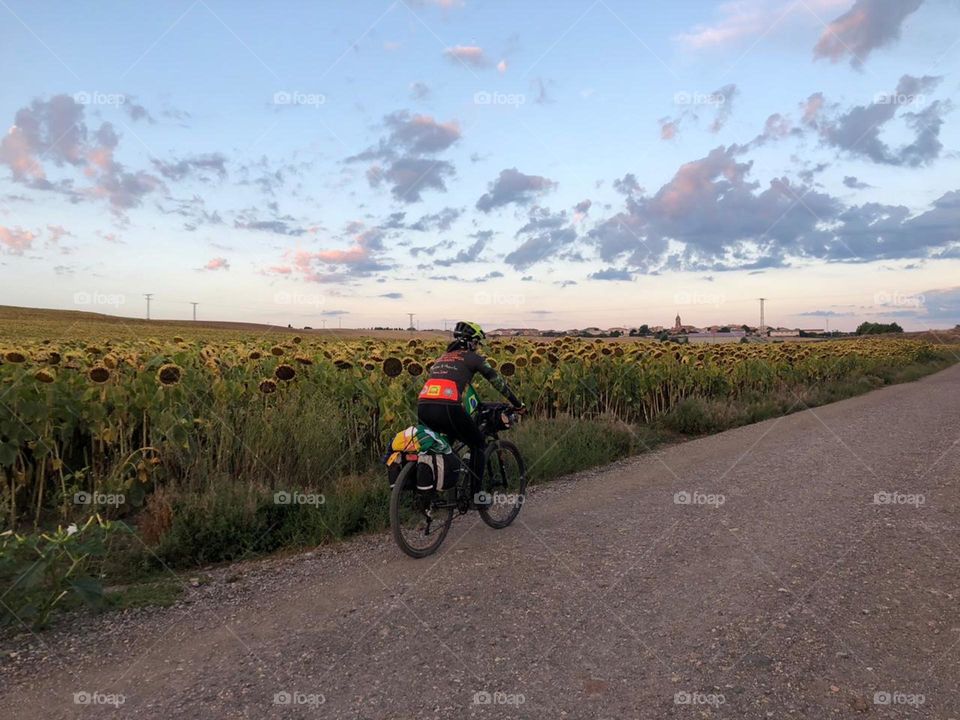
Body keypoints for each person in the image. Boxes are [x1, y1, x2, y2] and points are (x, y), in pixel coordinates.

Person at [417, 321, 523, 506]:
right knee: (478, 443)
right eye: (477, 342)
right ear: (470, 342)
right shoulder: (472, 358)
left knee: (442, 445)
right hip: (448, 407)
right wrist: (517, 404)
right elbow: (497, 382)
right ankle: (477, 496)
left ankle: (430, 494)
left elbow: (453, 385)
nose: (478, 347)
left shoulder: (442, 358)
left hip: (424, 407)